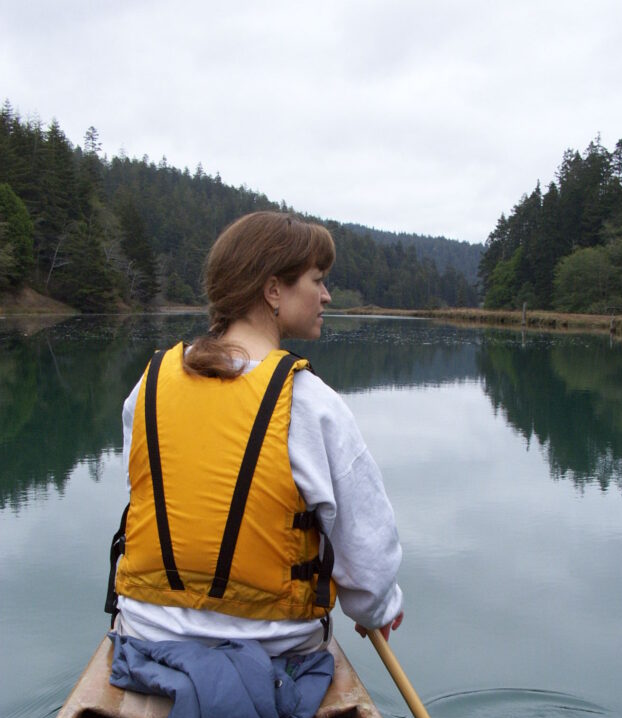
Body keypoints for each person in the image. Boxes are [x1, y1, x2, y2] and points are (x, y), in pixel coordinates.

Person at [109, 211, 403, 668]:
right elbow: (369, 561)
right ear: (272, 291)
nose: (326, 295)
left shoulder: (147, 387)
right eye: (317, 280)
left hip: (147, 639)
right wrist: (378, 609)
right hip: (273, 655)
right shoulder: (310, 403)